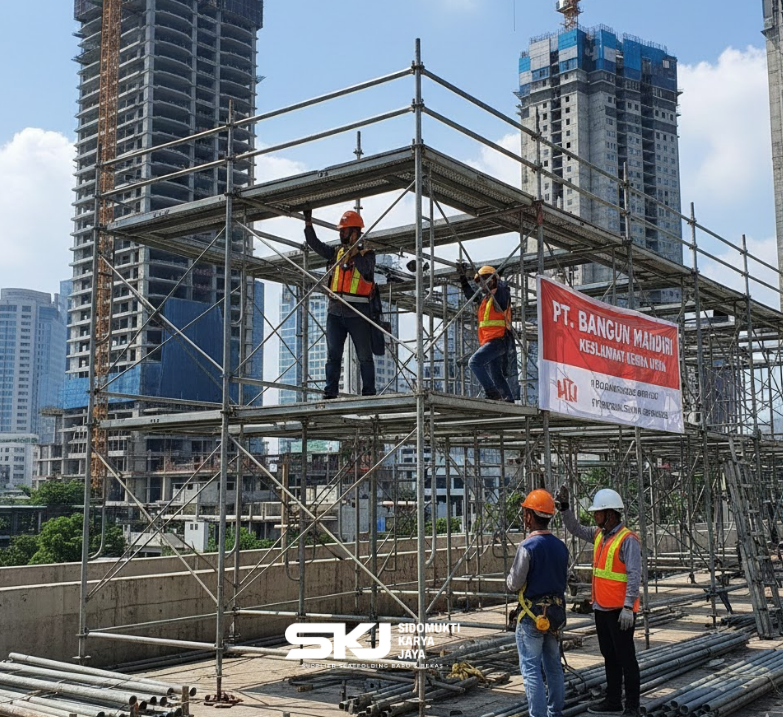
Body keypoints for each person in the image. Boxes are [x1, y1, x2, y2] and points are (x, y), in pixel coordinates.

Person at [557, 486, 641, 717]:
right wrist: (565, 508)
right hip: (602, 609)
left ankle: (632, 707)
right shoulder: (599, 535)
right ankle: (613, 700)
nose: (594, 516)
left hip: (620, 611)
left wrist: (627, 607)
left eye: (598, 513)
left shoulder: (628, 539)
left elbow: (634, 575)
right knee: (610, 656)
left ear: (610, 514)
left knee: (626, 659)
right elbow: (574, 528)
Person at [507, 489, 569, 717]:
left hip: (532, 617)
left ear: (530, 516)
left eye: (525, 513)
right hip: (554, 616)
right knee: (553, 668)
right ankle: (555, 713)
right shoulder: (561, 546)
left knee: (531, 669)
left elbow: (514, 583)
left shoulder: (528, 547)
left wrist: (509, 579)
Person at [303, 208, 376, 399]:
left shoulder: (367, 254)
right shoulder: (336, 253)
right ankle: (330, 392)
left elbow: (365, 269)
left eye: (343, 231)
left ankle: (369, 393)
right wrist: (308, 222)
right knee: (333, 355)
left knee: (364, 356)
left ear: (354, 232)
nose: (340, 234)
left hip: (358, 312)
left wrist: (354, 253)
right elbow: (315, 245)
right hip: (335, 312)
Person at [458, 263, 515, 401]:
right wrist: (463, 279)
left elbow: (501, 291)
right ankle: (509, 400)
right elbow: (470, 295)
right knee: (496, 374)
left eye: (485, 281)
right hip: (490, 341)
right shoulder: (485, 300)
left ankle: (492, 392)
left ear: (493, 280)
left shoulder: (502, 294)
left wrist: (497, 277)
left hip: (499, 340)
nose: (481, 286)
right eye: (480, 283)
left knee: (474, 362)